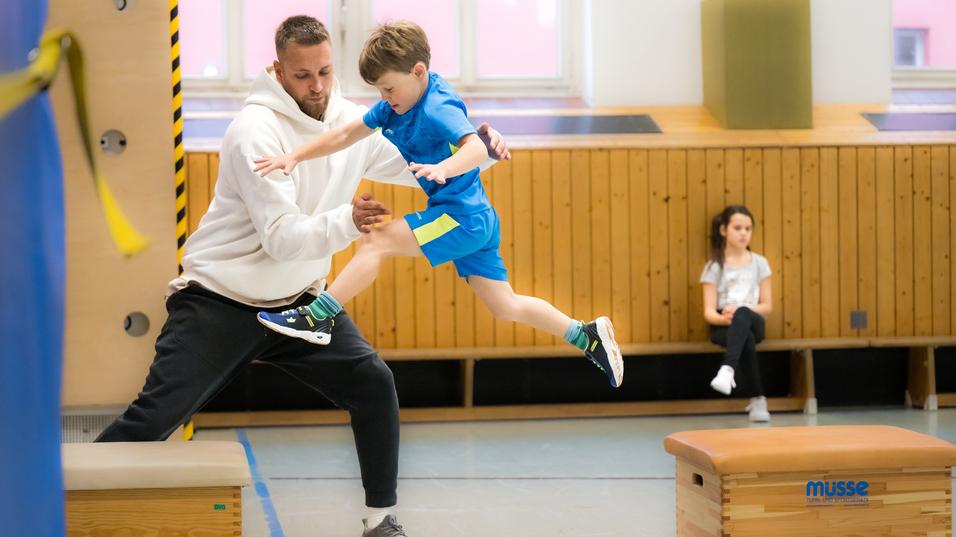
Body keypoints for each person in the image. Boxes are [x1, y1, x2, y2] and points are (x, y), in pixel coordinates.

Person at [95, 15, 510, 537]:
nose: (317, 86)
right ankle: (60, 504)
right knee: (154, 418)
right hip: (221, 300)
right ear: (278, 70)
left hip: (299, 306)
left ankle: (379, 521)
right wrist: (350, 221)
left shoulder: (353, 121)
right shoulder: (254, 132)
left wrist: (485, 150)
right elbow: (282, 239)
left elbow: (419, 164)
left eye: (325, 72)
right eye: (302, 75)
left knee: (373, 384)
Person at [254, 21, 624, 388]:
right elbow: (347, 134)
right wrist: (296, 156)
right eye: (379, 90)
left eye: (389, 88)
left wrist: (443, 168)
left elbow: (475, 148)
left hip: (460, 217)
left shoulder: (436, 107)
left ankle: (318, 316)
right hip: (477, 217)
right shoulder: (396, 105)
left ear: (418, 72)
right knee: (505, 305)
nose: (385, 97)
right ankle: (586, 335)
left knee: (377, 240)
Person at [699, 205, 773, 422]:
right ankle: (758, 400)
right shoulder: (714, 267)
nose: (743, 233)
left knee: (744, 316)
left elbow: (767, 306)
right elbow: (708, 312)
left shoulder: (760, 263)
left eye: (748, 229)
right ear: (724, 230)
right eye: (738, 228)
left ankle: (727, 368)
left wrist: (742, 311)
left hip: (753, 319)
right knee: (744, 336)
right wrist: (725, 318)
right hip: (724, 324)